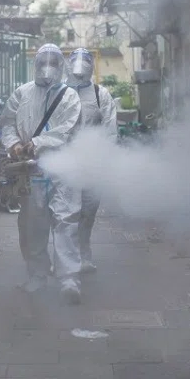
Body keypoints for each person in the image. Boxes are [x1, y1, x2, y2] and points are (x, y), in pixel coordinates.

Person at [0, 44, 85, 303]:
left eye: (54, 62)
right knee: (31, 224)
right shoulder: (21, 93)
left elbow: (65, 129)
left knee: (66, 221)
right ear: (34, 64)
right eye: (42, 62)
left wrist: (38, 143)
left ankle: (69, 278)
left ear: (62, 65)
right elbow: (7, 123)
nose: (48, 67)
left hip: (63, 166)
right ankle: (36, 276)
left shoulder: (70, 96)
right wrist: (14, 144)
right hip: (31, 168)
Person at [66, 48, 118, 274]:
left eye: (85, 60)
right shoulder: (60, 93)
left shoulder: (100, 94)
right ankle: (66, 257)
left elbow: (110, 129)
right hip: (66, 163)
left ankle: (83, 256)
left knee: (88, 213)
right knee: (66, 213)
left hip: (92, 163)